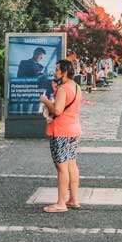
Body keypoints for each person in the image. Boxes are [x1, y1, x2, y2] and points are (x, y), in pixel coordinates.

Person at [39, 59, 82, 213]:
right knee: (72, 164)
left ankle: (61, 203)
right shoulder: (76, 87)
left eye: (57, 70)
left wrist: (45, 101)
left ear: (64, 72)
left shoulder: (63, 89)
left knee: (61, 167)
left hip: (61, 131)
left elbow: (57, 111)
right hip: (73, 129)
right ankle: (73, 199)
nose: (54, 72)